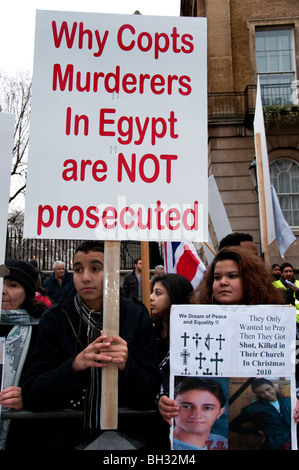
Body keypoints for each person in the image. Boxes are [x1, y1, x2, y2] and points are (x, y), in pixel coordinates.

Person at [20, 241, 161, 449]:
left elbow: (150, 392)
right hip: (67, 438)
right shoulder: (55, 319)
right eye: (78, 269)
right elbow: (32, 391)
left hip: (128, 439)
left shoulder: (136, 316)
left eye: (96, 269)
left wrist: (126, 366)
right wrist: (74, 365)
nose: (85, 277)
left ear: (112, 271)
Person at [158, 247, 299, 430]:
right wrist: (164, 399)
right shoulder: (194, 325)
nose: (223, 282)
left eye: (232, 276)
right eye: (217, 278)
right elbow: (168, 370)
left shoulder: (280, 324)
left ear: (251, 280)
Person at [0, 259, 48, 449]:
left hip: (22, 431)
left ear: (27, 292)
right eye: (0, 282)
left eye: (12, 285)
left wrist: (28, 395)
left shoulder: (42, 329)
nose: (3, 290)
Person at [229, 378, 292, 450]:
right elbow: (232, 426)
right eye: (261, 393)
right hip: (272, 446)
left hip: (293, 444)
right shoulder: (253, 409)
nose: (267, 394)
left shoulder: (290, 401)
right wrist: (256, 432)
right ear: (257, 394)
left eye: (268, 389)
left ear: (274, 387)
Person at [172, 377, 228, 450]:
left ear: (220, 412)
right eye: (187, 406)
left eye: (207, 408)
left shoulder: (222, 442)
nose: (197, 415)